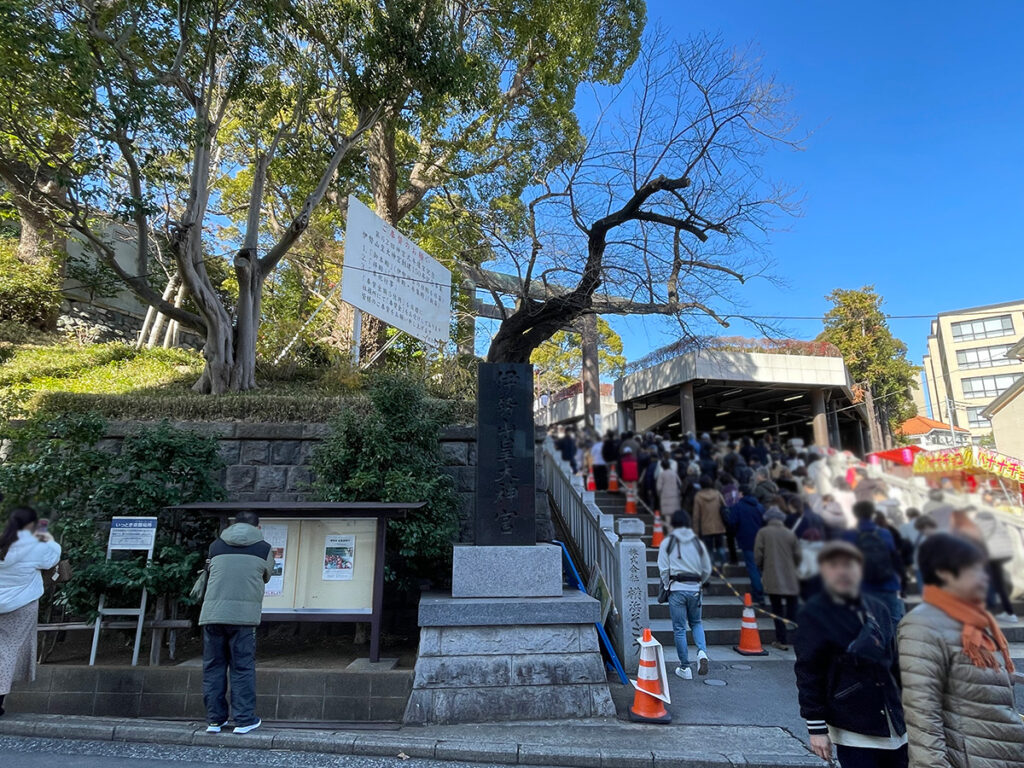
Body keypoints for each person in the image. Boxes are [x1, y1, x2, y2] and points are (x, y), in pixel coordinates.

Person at [899, 533, 1024, 768]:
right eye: (974, 569)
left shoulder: (978, 621)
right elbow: (922, 714)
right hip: (971, 759)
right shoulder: (923, 625)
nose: (985, 576)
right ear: (944, 573)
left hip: (1003, 753)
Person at [794, 541, 907, 768]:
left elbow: (894, 662)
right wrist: (816, 728)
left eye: (849, 565)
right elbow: (808, 670)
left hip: (895, 721)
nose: (843, 571)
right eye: (834, 565)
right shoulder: (815, 613)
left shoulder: (878, 607)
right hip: (853, 722)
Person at [198, 510, 274, 734]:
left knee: (213, 667)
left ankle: (214, 720)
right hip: (242, 618)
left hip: (212, 615)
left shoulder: (216, 546)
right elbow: (266, 575)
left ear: (233, 525)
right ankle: (243, 720)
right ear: (257, 527)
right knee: (242, 667)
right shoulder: (264, 548)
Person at [0, 507, 61, 717]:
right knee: (9, 650)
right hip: (21, 604)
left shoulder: (2, 542)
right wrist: (46, 537)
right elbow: (54, 558)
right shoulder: (36, 546)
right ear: (31, 524)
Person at [657, 509, 712, 680]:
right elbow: (707, 569)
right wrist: (700, 582)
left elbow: (663, 568)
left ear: (673, 523)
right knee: (696, 623)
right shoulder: (697, 543)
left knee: (679, 629)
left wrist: (667, 586)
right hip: (695, 589)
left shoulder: (668, 542)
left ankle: (685, 667)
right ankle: (702, 652)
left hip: (677, 589)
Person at [843, 501, 905, 630]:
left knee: (871, 623)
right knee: (893, 621)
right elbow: (894, 558)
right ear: (872, 513)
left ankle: (876, 648)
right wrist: (902, 581)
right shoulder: (884, 533)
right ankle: (891, 648)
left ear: (855, 514)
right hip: (888, 583)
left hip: (863, 585)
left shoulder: (849, 535)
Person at [754, 506, 801, 650]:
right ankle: (794, 638)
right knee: (792, 609)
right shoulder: (789, 533)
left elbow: (758, 554)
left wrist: (761, 567)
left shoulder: (763, 532)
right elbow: (798, 555)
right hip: (791, 577)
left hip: (773, 575)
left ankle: (782, 639)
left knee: (777, 610)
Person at [975, 508, 1018, 622]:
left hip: (989, 557)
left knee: (987, 583)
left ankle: (989, 612)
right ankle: (1009, 612)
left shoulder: (981, 524)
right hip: (1000, 556)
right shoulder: (997, 523)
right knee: (997, 584)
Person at [727, 487, 766, 605]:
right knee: (758, 567)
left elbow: (732, 522)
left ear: (742, 494)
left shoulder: (738, 507)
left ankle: (759, 593)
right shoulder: (759, 506)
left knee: (752, 567)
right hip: (761, 540)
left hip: (746, 540)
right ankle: (758, 591)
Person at [692, 476, 728, 566]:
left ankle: (712, 568)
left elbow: (696, 516)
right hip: (719, 525)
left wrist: (696, 531)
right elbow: (725, 507)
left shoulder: (698, 496)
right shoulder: (717, 493)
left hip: (706, 527)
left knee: (709, 550)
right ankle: (724, 564)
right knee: (720, 547)